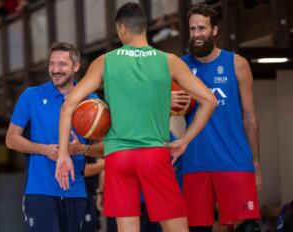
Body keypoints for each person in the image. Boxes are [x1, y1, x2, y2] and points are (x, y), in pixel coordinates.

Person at [55, 2, 217, 232]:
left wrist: (63, 154)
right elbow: (210, 100)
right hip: (154, 153)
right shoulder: (168, 60)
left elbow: (68, 105)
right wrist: (184, 140)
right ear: (144, 27)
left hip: (118, 156)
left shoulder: (105, 61)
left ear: (122, 29)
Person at [171, 4, 262, 232]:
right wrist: (166, 103)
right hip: (195, 163)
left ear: (214, 30)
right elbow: (160, 106)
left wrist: (256, 164)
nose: (196, 35)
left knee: (247, 227)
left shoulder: (237, 64)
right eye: (192, 29)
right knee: (197, 229)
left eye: (201, 28)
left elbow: (250, 117)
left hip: (235, 160)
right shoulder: (179, 67)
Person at [5, 42, 103, 232]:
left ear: (76, 66)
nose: (55, 70)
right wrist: (44, 149)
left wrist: (81, 149)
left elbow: (108, 147)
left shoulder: (91, 102)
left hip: (76, 193)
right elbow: (11, 139)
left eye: (62, 64)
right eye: (52, 64)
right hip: (40, 192)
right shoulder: (31, 96)